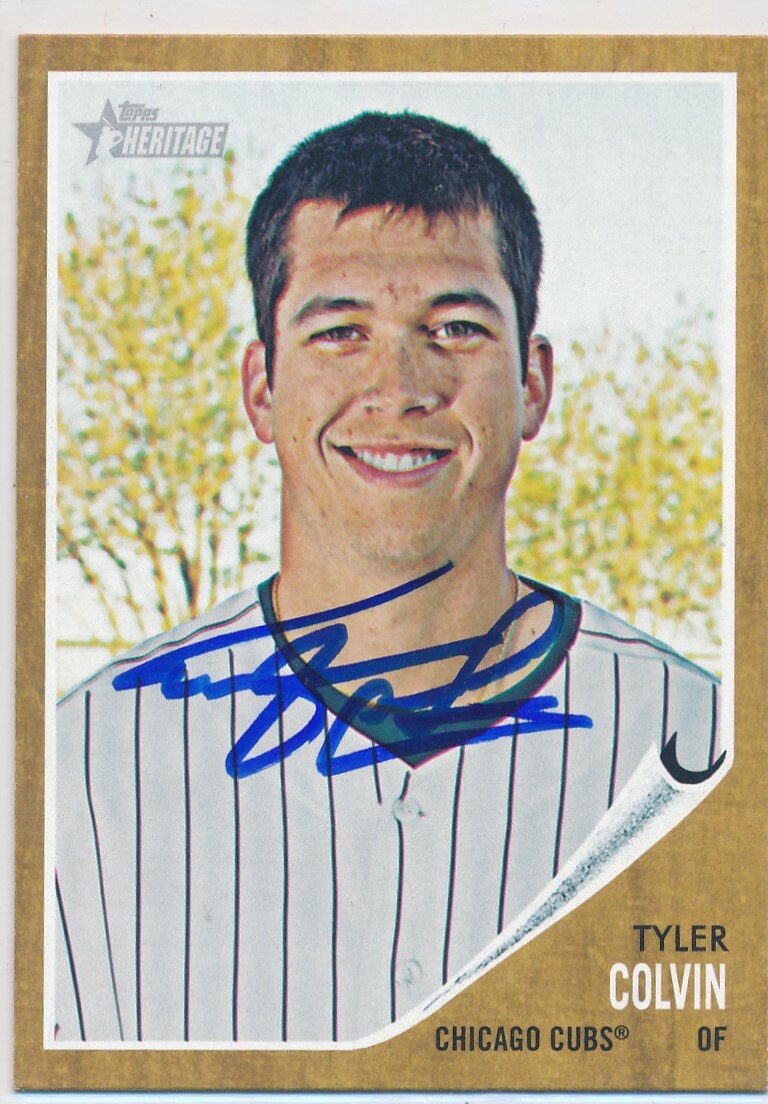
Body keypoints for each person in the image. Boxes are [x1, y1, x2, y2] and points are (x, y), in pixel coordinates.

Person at [54, 112, 728, 1046]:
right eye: (339, 331)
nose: (400, 386)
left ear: (533, 385)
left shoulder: (711, 756)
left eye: (455, 328)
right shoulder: (75, 772)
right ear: (261, 388)